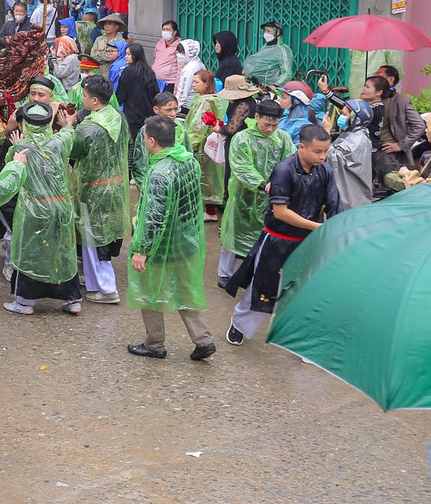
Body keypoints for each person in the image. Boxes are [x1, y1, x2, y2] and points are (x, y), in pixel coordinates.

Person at [226, 124, 341, 345]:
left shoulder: (325, 171)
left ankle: (302, 337)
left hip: (308, 242)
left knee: (306, 290)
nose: (323, 156)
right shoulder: (283, 170)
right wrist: (316, 227)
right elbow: (280, 212)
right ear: (302, 147)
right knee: (262, 287)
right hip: (278, 240)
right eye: (318, 152)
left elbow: (334, 203)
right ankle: (239, 324)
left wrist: (337, 228)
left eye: (326, 151)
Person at [125, 115, 214, 360]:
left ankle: (154, 344)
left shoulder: (158, 174)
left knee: (149, 291)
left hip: (163, 245)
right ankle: (203, 340)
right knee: (186, 290)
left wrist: (142, 249)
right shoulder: (188, 161)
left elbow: (154, 216)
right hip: (186, 240)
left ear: (151, 141)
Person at [4, 103, 82, 316]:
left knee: (29, 251)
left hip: (34, 209)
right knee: (63, 252)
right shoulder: (59, 141)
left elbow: (11, 167)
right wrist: (67, 123)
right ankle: (73, 299)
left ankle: (24, 301)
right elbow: (68, 131)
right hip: (61, 206)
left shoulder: (22, 147)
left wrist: (16, 145)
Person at [218, 97, 294, 287]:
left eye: (275, 125)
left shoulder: (282, 138)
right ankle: (225, 274)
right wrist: (262, 184)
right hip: (244, 195)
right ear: (257, 116)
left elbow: (289, 162)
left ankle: (253, 273)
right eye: (267, 124)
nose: (270, 129)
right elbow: (241, 167)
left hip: (270, 195)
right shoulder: (242, 138)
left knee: (262, 235)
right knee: (234, 233)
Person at [70, 75, 132, 303]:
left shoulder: (89, 127)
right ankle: (96, 282)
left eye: (84, 96)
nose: (82, 99)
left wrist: (68, 128)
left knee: (93, 240)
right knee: (105, 239)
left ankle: (105, 289)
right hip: (116, 187)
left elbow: (73, 150)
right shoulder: (120, 118)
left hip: (93, 190)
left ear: (94, 100)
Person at [324, 99, 375, 209]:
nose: (340, 117)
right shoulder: (350, 133)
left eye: (344, 114)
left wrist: (326, 134)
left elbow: (334, 158)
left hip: (352, 198)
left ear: (355, 117)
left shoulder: (359, 139)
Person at [117, 42, 160, 146]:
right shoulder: (149, 70)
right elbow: (156, 92)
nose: (126, 57)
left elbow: (120, 95)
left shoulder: (128, 71)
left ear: (135, 55)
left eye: (128, 54)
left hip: (132, 115)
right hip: (148, 113)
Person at [242, 20, 293, 88]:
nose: (265, 33)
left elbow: (287, 73)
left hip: (268, 88)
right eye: (265, 31)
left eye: (268, 31)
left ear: (277, 33)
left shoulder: (282, 50)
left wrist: (275, 85)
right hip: (255, 85)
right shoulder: (265, 47)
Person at [152, 21, 182, 92]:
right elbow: (155, 59)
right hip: (156, 80)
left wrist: (176, 87)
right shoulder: (160, 43)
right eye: (163, 29)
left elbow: (180, 68)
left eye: (168, 30)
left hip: (169, 82)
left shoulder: (179, 46)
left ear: (174, 32)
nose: (165, 32)